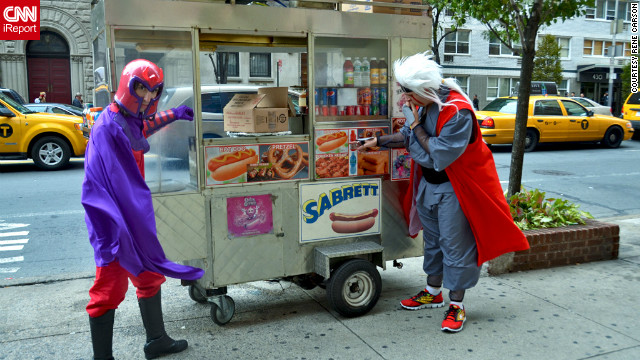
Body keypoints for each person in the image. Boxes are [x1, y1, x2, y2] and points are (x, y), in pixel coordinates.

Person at [358, 52, 529, 333]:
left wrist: (413, 125)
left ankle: (457, 305)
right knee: (434, 243)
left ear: (424, 89)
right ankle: (433, 292)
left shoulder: (458, 111)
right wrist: (377, 141)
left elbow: (437, 154)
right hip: (429, 186)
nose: (405, 99)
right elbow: (414, 139)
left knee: (455, 247)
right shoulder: (429, 103)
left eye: (408, 92)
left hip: (456, 189)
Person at [82, 59, 203, 360]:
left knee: (148, 275)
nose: (148, 97)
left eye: (154, 91)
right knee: (109, 288)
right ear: (128, 85)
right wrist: (126, 230)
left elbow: (141, 128)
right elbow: (109, 189)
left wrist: (174, 113)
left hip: (128, 217)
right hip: (113, 221)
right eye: (142, 89)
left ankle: (157, 340)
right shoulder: (108, 128)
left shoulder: (122, 118)